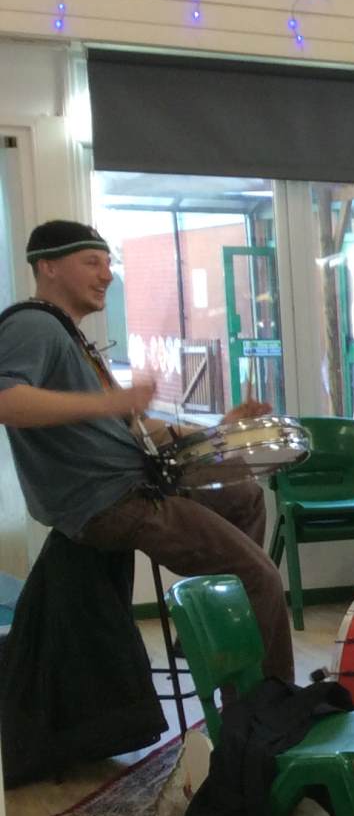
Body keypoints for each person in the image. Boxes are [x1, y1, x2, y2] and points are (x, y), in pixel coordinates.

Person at [0, 221, 295, 680]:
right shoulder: (33, 325)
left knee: (244, 496)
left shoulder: (69, 335)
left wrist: (217, 430)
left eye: (108, 263)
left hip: (131, 486)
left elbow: (134, 427)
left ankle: (202, 628)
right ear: (48, 267)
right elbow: (6, 400)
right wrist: (107, 402)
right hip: (111, 499)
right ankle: (265, 707)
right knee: (260, 577)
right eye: (92, 262)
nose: (107, 274)